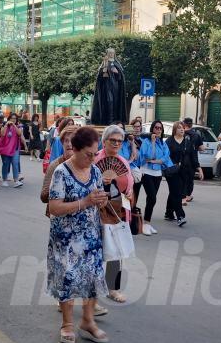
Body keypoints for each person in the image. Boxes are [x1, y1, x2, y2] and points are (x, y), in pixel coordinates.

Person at [46, 126, 109, 343]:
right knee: (68, 279)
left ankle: (88, 321)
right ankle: (67, 324)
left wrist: (103, 201)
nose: (92, 159)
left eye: (95, 154)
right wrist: (85, 202)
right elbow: (54, 207)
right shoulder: (61, 172)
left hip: (91, 235)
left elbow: (99, 199)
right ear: (75, 149)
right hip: (66, 238)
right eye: (88, 154)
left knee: (92, 278)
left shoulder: (96, 171)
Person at [96, 125, 134, 306]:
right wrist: (101, 181)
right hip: (98, 211)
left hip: (117, 211)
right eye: (113, 140)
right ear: (104, 142)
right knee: (94, 250)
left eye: (120, 141)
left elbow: (129, 187)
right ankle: (90, 289)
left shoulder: (123, 161)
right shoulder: (95, 159)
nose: (117, 144)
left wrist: (126, 189)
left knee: (116, 251)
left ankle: (113, 288)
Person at [165, 121, 193, 226]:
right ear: (175, 130)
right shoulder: (169, 141)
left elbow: (192, 156)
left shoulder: (187, 142)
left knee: (174, 192)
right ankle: (180, 216)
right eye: (180, 128)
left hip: (183, 171)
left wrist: (198, 168)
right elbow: (166, 156)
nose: (182, 129)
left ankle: (168, 213)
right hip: (172, 171)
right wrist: (173, 165)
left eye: (183, 128)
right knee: (177, 193)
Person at [90, 48, 127, 125]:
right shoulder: (104, 63)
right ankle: (108, 121)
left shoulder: (117, 64)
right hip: (106, 87)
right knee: (109, 102)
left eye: (112, 53)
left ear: (114, 54)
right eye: (109, 53)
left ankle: (114, 121)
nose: (111, 54)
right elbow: (100, 78)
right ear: (107, 54)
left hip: (116, 88)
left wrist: (117, 72)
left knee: (116, 104)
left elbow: (120, 78)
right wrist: (103, 72)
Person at [181, 117, 205, 204]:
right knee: (190, 179)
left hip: (182, 160)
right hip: (192, 161)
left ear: (184, 124)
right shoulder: (196, 135)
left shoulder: (181, 134)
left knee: (182, 178)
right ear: (191, 125)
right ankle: (188, 195)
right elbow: (202, 148)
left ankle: (182, 196)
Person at [0, 113, 25, 188]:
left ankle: (16, 180)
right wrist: (6, 125)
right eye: (12, 118)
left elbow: (19, 134)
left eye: (15, 118)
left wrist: (14, 125)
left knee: (15, 164)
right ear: (9, 119)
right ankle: (4, 180)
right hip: (6, 148)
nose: (13, 120)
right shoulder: (5, 126)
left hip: (15, 149)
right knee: (6, 164)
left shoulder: (18, 126)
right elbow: (2, 134)